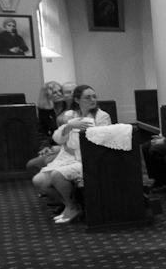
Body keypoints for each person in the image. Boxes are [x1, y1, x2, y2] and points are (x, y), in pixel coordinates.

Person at [32, 84, 112, 224]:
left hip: (88, 158)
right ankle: (71, 205)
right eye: (88, 97)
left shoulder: (102, 116)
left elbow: (101, 141)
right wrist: (69, 127)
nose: (93, 100)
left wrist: (82, 131)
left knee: (57, 175)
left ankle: (72, 207)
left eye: (94, 96)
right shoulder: (69, 115)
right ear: (77, 100)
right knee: (39, 181)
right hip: (67, 156)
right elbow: (58, 138)